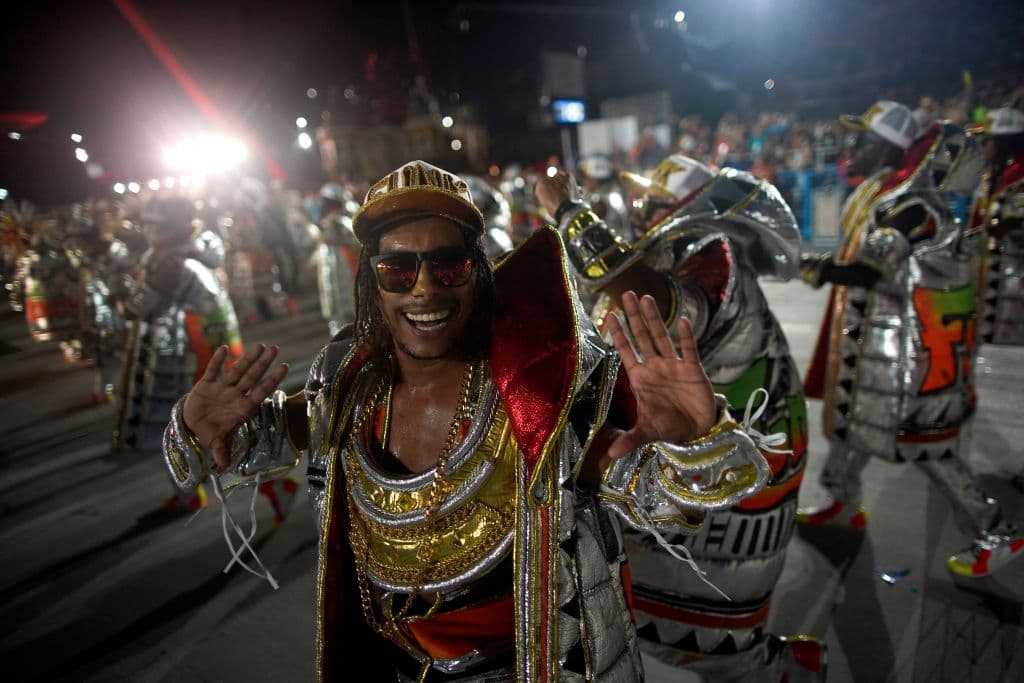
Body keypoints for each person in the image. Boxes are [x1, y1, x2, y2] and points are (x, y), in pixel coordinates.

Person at [162, 160, 770, 681]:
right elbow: (265, 438)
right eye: (398, 269)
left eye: (448, 265)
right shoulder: (349, 382)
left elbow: (652, 489)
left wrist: (698, 439)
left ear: (477, 275)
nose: (424, 288)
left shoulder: (538, 396)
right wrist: (206, 429)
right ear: (373, 282)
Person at [537, 154, 823, 681]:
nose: (643, 211)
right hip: (699, 446)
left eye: (654, 202)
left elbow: (662, 307)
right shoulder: (682, 249)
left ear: (684, 205)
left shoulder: (714, 250)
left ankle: (781, 669)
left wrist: (571, 213)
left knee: (713, 632)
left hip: (731, 451)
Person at [799, 101, 1024, 589]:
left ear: (891, 143)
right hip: (876, 339)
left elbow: (868, 268)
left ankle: (994, 532)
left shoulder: (915, 202)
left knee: (927, 447)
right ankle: (842, 499)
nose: (855, 147)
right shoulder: (889, 189)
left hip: (907, 349)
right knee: (852, 424)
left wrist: (811, 268)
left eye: (865, 137)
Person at [968, 107, 1024, 345]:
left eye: (987, 140)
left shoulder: (1018, 177)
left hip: (1015, 280)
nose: (983, 147)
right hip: (990, 276)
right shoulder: (992, 175)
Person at [311, 182, 360, 339]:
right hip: (329, 268)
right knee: (333, 304)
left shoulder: (344, 219)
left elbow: (353, 238)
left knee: (351, 303)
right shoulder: (325, 222)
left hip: (345, 265)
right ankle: (338, 336)